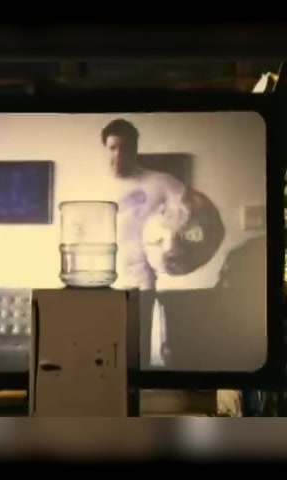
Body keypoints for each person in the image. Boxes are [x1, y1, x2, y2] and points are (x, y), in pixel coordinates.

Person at [101, 118, 190, 367]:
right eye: (113, 148)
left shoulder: (161, 182)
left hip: (141, 283)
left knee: (137, 355)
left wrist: (174, 243)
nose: (119, 155)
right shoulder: (98, 187)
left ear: (135, 149)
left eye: (125, 148)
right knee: (107, 355)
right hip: (105, 283)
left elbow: (193, 214)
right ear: (106, 149)